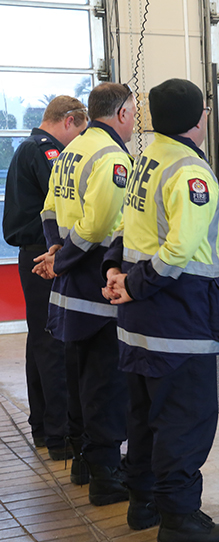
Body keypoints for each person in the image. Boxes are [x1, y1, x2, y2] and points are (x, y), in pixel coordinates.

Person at [103, 78, 219, 542]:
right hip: (179, 319)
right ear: (199, 118)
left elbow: (129, 228)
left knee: (144, 416)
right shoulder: (189, 170)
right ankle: (180, 521)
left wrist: (118, 274)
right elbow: (180, 247)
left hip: (143, 324)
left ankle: (143, 503)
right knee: (186, 420)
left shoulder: (148, 159)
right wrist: (137, 284)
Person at [35, 83, 135, 505]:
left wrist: (56, 249)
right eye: (134, 111)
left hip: (70, 283)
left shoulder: (72, 149)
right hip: (96, 283)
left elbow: (49, 208)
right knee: (105, 382)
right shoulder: (112, 157)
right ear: (123, 113)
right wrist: (65, 257)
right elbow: (98, 227)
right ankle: (105, 476)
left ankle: (81, 461)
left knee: (78, 375)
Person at [3, 96, 87, 462]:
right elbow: (66, 203)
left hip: (33, 252)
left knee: (40, 340)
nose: (81, 141)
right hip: (44, 253)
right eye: (81, 132)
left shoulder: (29, 148)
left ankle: (43, 427)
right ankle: (60, 435)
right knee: (54, 344)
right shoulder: (47, 152)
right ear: (68, 121)